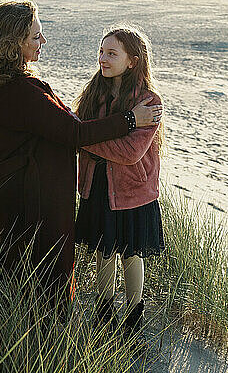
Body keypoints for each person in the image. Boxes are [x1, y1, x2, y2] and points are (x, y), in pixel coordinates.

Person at [0, 1, 162, 310]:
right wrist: (128, 121)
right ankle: (42, 340)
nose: (42, 42)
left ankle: (5, 322)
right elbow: (73, 132)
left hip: (13, 192)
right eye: (35, 36)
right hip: (31, 197)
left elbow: (84, 133)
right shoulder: (23, 90)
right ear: (13, 41)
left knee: (16, 262)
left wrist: (82, 133)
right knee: (44, 269)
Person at [74, 26, 165, 334]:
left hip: (131, 192)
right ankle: (103, 314)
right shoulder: (93, 93)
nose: (103, 58)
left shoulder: (149, 102)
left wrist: (85, 138)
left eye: (112, 53)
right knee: (103, 252)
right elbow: (78, 129)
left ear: (132, 61)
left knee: (131, 253)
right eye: (101, 51)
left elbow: (129, 152)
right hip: (96, 185)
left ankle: (134, 317)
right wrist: (84, 135)